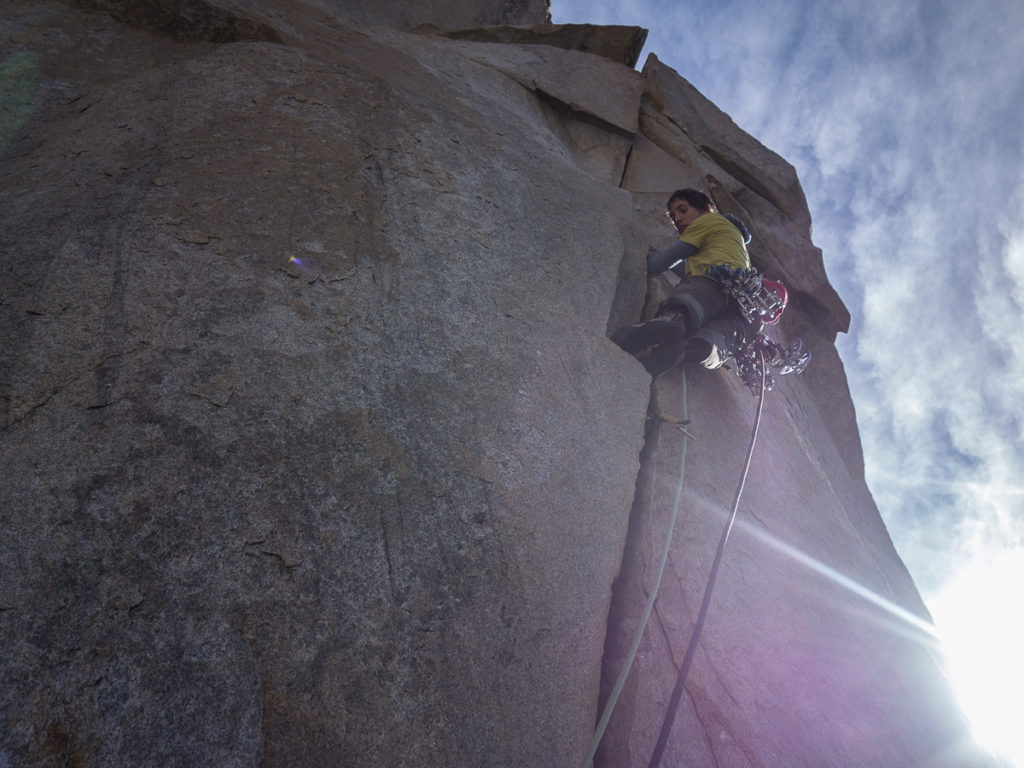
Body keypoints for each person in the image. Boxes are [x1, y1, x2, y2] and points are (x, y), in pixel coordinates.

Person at [612, 188, 755, 378]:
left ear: (705, 209)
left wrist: (647, 256)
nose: (677, 219)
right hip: (740, 307)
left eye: (683, 210)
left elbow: (661, 263)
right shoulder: (734, 239)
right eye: (673, 216)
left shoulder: (707, 220)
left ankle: (672, 321)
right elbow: (692, 267)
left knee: (687, 306)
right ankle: (689, 350)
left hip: (710, 286)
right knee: (714, 341)